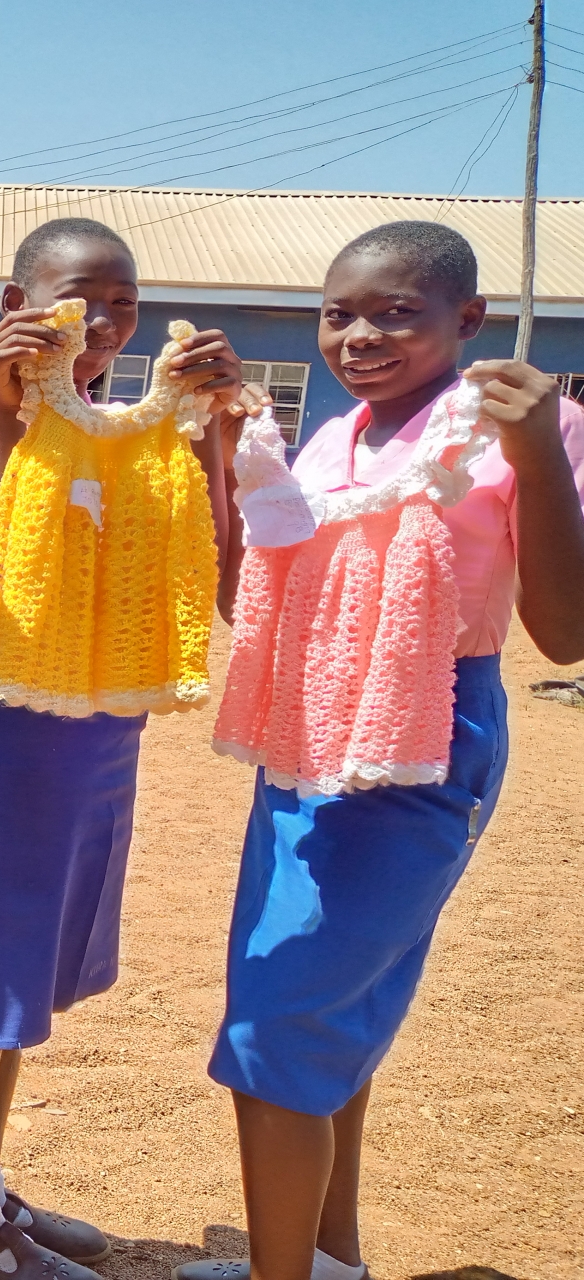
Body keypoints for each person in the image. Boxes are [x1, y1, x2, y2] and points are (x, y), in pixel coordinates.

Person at [180, 221, 584, 1280]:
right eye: (339, 312)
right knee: (322, 1023)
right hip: (308, 731)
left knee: (280, 1033)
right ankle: (325, 1257)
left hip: (424, 738)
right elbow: (251, 597)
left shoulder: (523, 430)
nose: (360, 333)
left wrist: (539, 452)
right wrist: (215, 447)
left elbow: (566, 631)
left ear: (469, 319)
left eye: (396, 310)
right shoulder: (328, 441)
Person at [0, 217, 248, 1279]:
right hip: (6, 732)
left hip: (102, 737)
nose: (99, 324)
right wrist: (17, 416)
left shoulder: (134, 426)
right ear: (15, 305)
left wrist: (212, 437)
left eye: (121, 304)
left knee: (20, 986)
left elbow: (213, 567)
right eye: (75, 298)